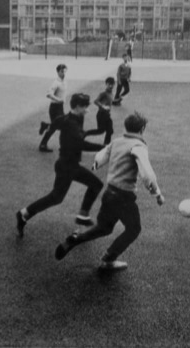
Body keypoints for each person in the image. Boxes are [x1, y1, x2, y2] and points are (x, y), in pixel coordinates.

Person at [54, 112, 164, 270]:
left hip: (109, 193)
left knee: (104, 228)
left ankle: (76, 239)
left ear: (126, 126)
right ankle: (108, 259)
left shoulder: (117, 141)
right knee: (134, 229)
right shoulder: (138, 146)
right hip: (124, 196)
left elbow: (100, 157)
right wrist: (157, 194)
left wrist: (94, 167)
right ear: (142, 129)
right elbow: (147, 174)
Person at [16, 93, 105, 236]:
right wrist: (103, 147)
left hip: (66, 164)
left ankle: (24, 213)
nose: (87, 110)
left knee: (56, 197)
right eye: (85, 107)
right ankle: (82, 216)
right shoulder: (72, 123)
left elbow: (57, 124)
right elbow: (80, 144)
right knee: (95, 185)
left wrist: (46, 126)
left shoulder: (70, 119)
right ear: (77, 107)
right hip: (68, 166)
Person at [38, 64, 68, 152]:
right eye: (62, 71)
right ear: (58, 72)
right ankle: (62, 146)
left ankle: (45, 128)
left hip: (60, 107)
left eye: (65, 71)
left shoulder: (65, 81)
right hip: (55, 108)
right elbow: (48, 94)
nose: (64, 73)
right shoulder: (56, 83)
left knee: (57, 126)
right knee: (59, 126)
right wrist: (58, 99)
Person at [85, 77, 115, 145]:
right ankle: (85, 133)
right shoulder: (103, 93)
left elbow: (109, 102)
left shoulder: (111, 93)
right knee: (100, 131)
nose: (111, 86)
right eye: (109, 84)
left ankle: (106, 145)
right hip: (101, 115)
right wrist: (102, 106)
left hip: (107, 115)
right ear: (106, 84)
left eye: (112, 84)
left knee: (110, 131)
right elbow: (96, 101)